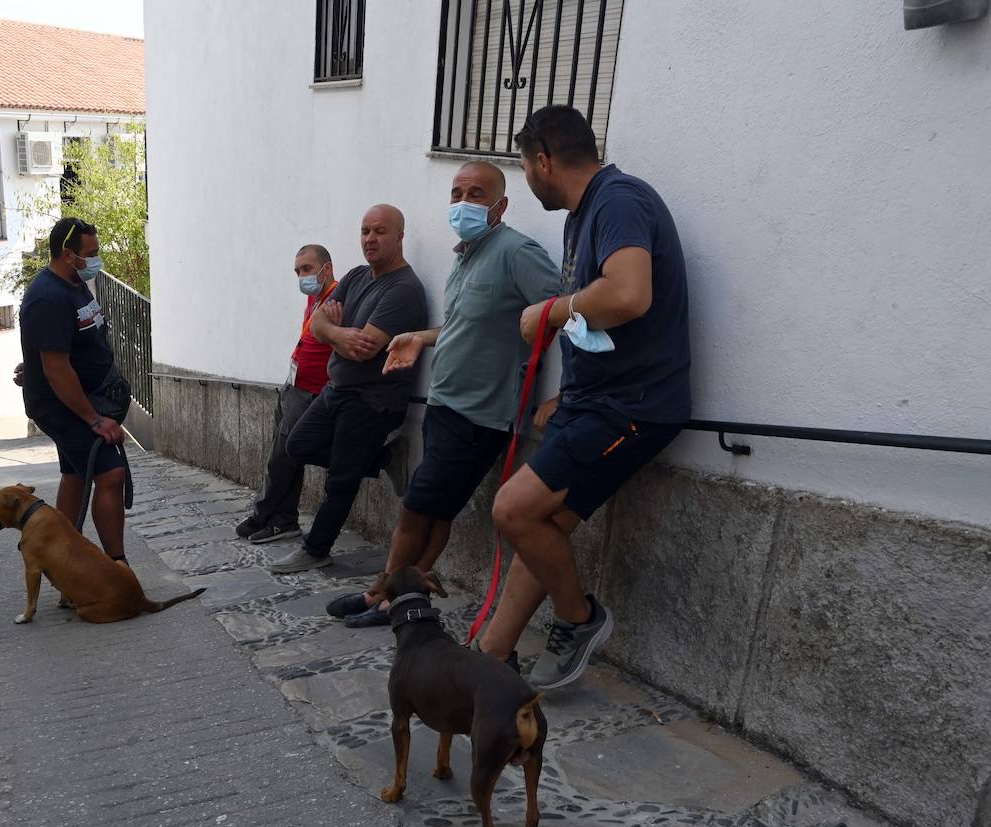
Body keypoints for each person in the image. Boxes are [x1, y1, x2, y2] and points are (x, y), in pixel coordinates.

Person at [476, 105, 691, 691]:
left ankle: (580, 618)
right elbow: (600, 323)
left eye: (524, 168)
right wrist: (566, 392)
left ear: (543, 160)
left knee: (512, 509)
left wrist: (549, 309)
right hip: (595, 402)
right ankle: (492, 658)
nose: (528, 179)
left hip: (630, 406)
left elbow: (627, 294)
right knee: (538, 526)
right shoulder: (583, 215)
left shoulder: (618, 200)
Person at [325, 162, 562, 629]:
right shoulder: (467, 254)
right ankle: (402, 598)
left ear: (501, 205)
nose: (463, 203)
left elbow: (561, 314)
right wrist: (420, 337)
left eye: (477, 194)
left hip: (482, 414)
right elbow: (464, 325)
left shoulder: (516, 251)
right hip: (446, 403)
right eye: (457, 194)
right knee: (435, 512)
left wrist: (565, 392)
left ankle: (381, 594)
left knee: (415, 508)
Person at [271, 205, 429, 573]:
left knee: (341, 479)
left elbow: (365, 349)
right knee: (298, 444)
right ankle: (387, 458)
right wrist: (338, 333)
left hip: (373, 399)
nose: (370, 239)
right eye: (365, 231)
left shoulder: (405, 290)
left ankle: (316, 548)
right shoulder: (358, 276)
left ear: (399, 237)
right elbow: (318, 325)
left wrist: (333, 333)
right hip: (337, 389)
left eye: (380, 231)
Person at [18, 216, 131, 563]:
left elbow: (61, 347)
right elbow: (56, 368)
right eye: (91, 253)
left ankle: (62, 561)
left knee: (76, 473)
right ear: (68, 254)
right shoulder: (47, 297)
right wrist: (95, 419)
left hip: (82, 396)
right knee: (110, 473)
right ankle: (117, 566)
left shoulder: (73, 282)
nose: (97, 259)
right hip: (63, 405)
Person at [234, 244, 338, 544]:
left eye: (307, 269)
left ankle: (262, 513)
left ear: (326, 268)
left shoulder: (336, 299)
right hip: (294, 386)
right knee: (282, 456)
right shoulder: (314, 298)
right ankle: (284, 520)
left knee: (282, 457)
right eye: (297, 271)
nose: (301, 276)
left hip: (312, 392)